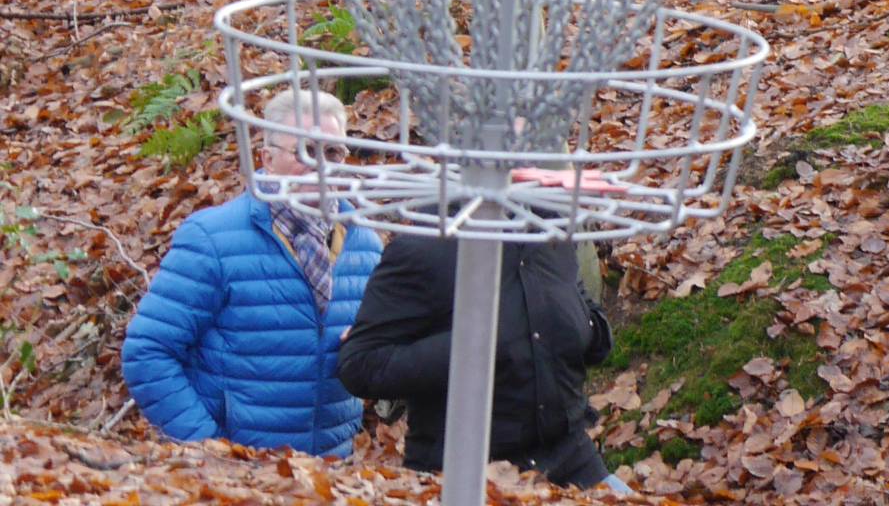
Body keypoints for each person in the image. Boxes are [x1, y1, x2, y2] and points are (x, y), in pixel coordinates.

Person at [122, 90, 385, 456]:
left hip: (329, 476)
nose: (322, 166)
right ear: (267, 158)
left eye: (333, 152)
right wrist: (209, 448)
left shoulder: (364, 245)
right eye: (307, 151)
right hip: (238, 474)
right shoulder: (212, 238)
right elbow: (147, 351)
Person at [337, 171, 625, 490]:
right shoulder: (426, 245)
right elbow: (359, 365)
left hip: (570, 460)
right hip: (463, 472)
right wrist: (467, 346)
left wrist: (584, 328)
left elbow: (594, 329)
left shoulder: (551, 229)